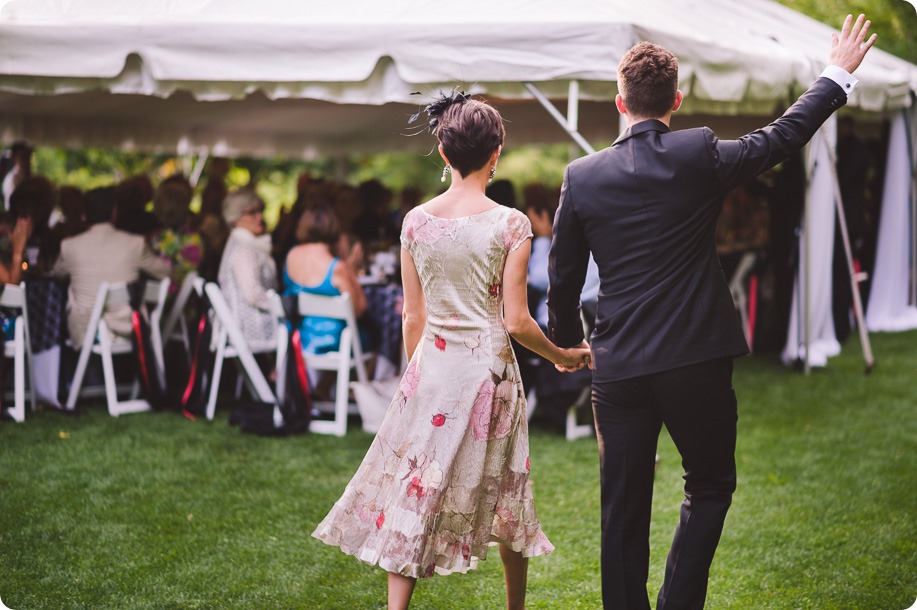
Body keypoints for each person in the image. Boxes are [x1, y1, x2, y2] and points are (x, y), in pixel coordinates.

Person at [546, 15, 876, 610]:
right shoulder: (699, 153)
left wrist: (567, 345)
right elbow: (781, 137)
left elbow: (563, 277)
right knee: (710, 485)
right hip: (696, 358)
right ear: (676, 100)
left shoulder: (581, 176)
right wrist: (836, 76)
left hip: (617, 369)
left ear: (620, 102)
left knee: (621, 507)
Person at [313, 91, 591, 610]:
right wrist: (560, 354)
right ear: (496, 152)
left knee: (416, 488)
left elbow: (411, 315)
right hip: (490, 373)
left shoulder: (415, 221)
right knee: (509, 493)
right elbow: (515, 320)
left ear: (444, 154)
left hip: (432, 370)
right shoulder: (511, 224)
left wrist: (415, 376)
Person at [52, 186, 171, 349]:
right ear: (114, 212)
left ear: (84, 215)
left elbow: (57, 274)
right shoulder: (134, 244)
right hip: (126, 329)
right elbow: (165, 272)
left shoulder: (69, 246)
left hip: (86, 333)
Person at [282, 202, 367, 354]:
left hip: (299, 337)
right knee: (372, 336)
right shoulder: (337, 267)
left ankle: (327, 379)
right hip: (333, 342)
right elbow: (359, 309)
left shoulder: (291, 256)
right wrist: (351, 270)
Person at [217, 189, 277, 353]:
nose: (260, 217)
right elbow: (253, 294)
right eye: (252, 212)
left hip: (245, 331)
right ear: (236, 218)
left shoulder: (241, 242)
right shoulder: (244, 249)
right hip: (252, 331)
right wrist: (281, 305)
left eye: (260, 210)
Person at [1, 141, 33, 211]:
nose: (26, 161)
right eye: (22, 157)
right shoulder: (12, 178)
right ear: (14, 158)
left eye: (28, 157)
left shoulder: (27, 176)